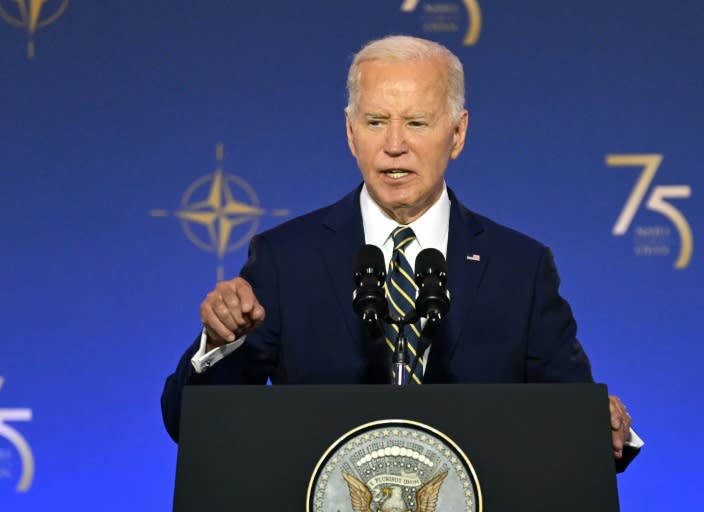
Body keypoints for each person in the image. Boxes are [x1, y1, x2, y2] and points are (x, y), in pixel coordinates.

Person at [161, 35, 641, 469]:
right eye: (375, 122)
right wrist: (219, 344)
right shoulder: (287, 259)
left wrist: (603, 424)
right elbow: (190, 424)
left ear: (457, 134)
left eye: (416, 122)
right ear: (351, 133)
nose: (394, 145)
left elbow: (579, 428)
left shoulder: (521, 268)